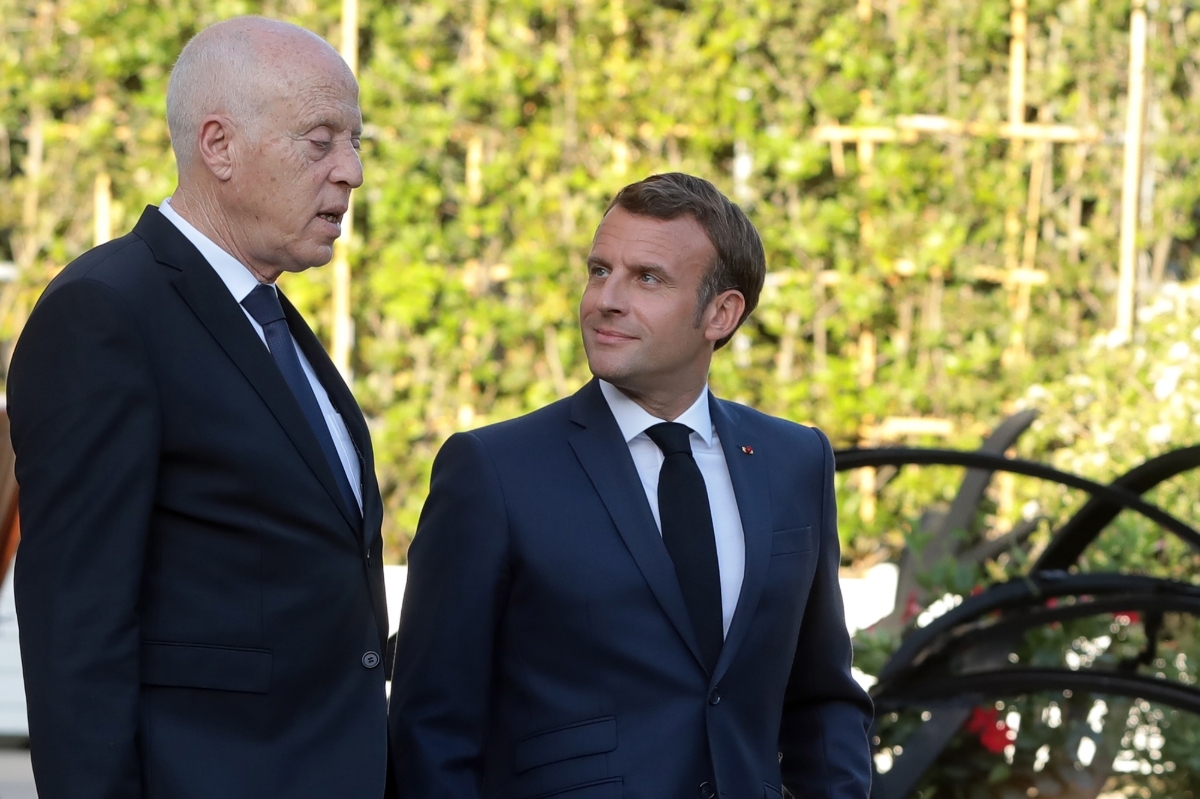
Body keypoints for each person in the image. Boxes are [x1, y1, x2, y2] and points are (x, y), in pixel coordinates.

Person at [389, 172, 873, 798]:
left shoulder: (794, 460)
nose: (605, 299)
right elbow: (432, 729)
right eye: (599, 270)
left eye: (647, 278)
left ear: (721, 313)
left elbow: (824, 700)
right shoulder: (493, 470)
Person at [7, 17, 390, 799]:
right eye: (321, 141)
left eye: (356, 143)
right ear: (218, 146)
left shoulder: (269, 319)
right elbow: (76, 623)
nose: (350, 172)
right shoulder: (107, 311)